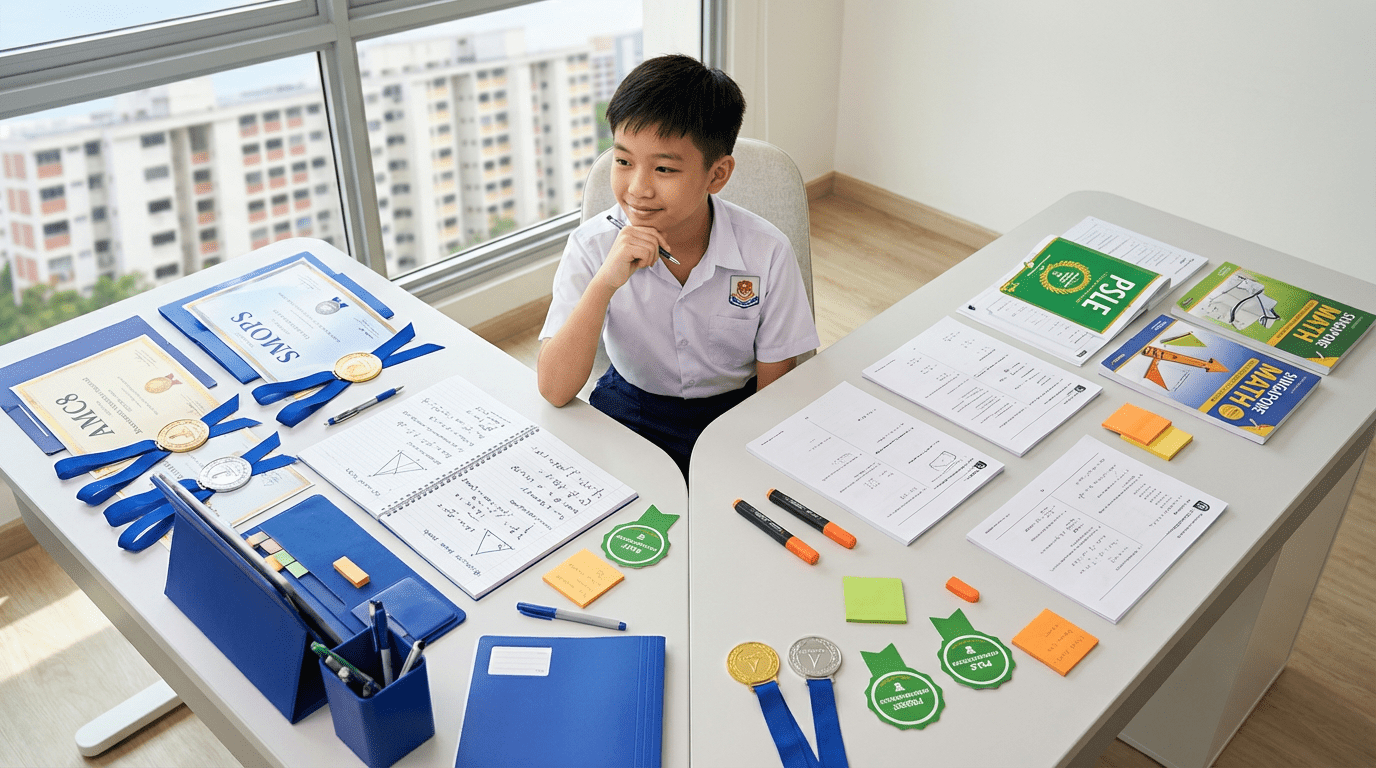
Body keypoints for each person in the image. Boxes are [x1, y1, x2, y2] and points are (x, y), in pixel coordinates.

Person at [537, 54, 819, 476]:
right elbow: (555, 389)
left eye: (664, 168)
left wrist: (749, 460)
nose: (637, 189)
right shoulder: (592, 245)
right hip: (630, 405)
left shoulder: (767, 252)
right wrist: (603, 284)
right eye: (623, 161)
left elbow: (773, 388)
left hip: (734, 410)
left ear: (717, 175)